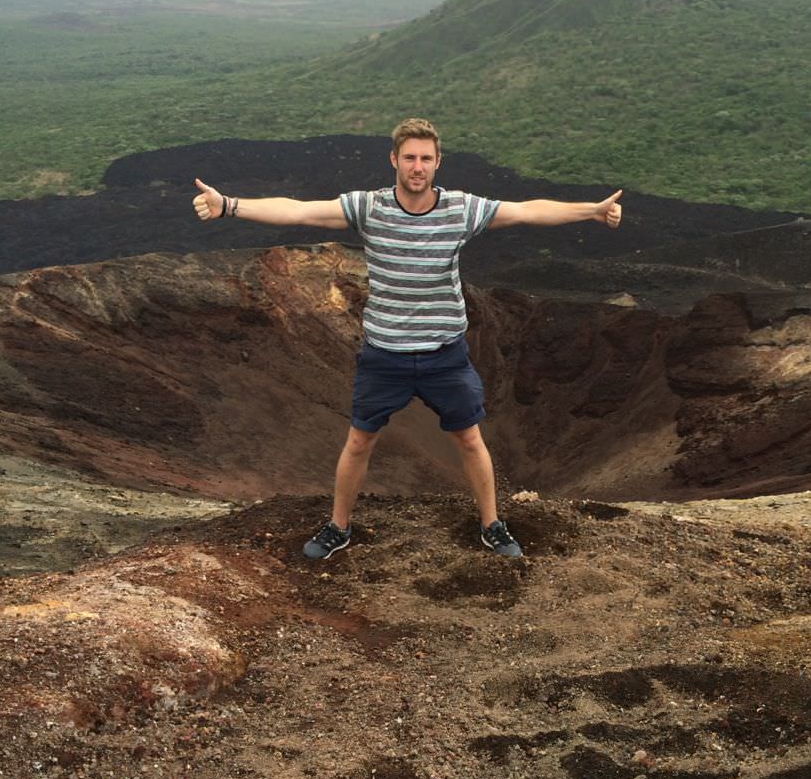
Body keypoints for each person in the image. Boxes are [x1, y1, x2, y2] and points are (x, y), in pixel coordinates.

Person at [192, 118, 622, 560]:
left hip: (444, 355)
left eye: (426, 159)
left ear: (438, 164)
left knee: (470, 439)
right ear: (395, 160)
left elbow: (526, 210)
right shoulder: (369, 207)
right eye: (410, 158)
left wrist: (590, 209)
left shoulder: (461, 209)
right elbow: (300, 210)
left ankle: (492, 525)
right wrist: (228, 204)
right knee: (359, 441)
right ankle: (338, 527)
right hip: (384, 355)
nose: (418, 167)